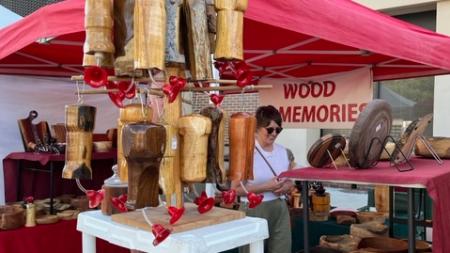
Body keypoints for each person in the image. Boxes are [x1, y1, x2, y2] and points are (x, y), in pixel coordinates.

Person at [231, 105, 295, 253]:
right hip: (254, 209)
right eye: (270, 129)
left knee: (282, 249)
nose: (274, 133)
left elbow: (291, 179)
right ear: (257, 128)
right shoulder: (245, 153)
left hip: (280, 207)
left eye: (278, 130)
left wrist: (287, 186)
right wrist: (265, 187)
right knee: (251, 250)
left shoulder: (284, 152)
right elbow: (234, 190)